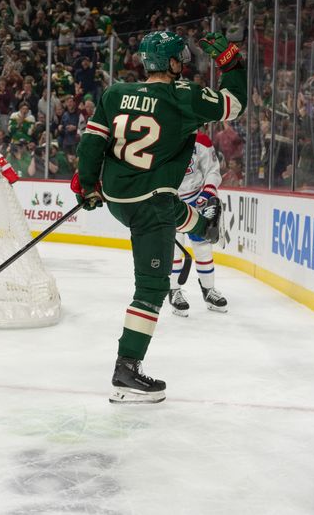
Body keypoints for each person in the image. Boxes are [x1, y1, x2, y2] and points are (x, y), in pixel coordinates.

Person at [72, 31, 247, 404]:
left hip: (118, 195)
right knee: (151, 287)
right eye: (179, 60)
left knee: (169, 206)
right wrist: (232, 65)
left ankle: (202, 226)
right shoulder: (183, 95)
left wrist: (87, 185)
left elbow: (92, 142)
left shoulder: (115, 92)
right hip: (150, 201)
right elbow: (234, 104)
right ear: (171, 63)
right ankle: (126, 369)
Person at [168, 133, 228, 316]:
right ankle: (174, 291)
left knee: (203, 247)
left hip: (196, 200)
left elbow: (212, 170)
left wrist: (208, 192)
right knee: (174, 251)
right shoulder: (162, 135)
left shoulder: (200, 140)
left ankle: (208, 290)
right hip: (170, 201)